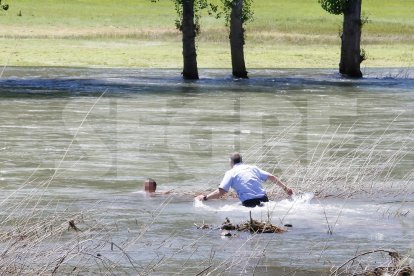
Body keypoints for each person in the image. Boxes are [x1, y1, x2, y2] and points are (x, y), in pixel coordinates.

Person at [196, 152, 293, 207]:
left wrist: (205, 198)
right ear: (242, 161)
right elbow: (271, 177)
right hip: (265, 200)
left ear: (231, 162)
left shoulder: (230, 172)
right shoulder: (253, 168)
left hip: (249, 203)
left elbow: (221, 192)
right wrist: (285, 188)